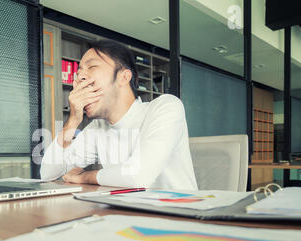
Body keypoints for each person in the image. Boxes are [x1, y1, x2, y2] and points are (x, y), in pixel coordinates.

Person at [40, 40, 198, 190]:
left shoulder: (166, 107)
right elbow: (48, 173)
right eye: (78, 73)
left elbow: (138, 176)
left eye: (92, 67)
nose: (79, 79)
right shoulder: (98, 127)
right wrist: (72, 121)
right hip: (130, 214)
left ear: (124, 77)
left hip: (181, 214)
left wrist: (85, 177)